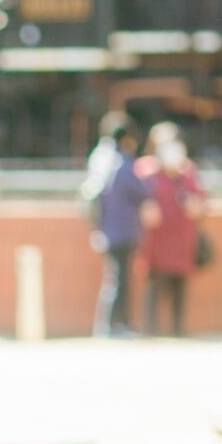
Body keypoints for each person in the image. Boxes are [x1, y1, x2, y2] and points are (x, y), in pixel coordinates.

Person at [135, 121, 208, 336]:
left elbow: (202, 200)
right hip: (156, 241)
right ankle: (151, 331)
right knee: (155, 286)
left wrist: (197, 205)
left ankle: (178, 330)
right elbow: (135, 200)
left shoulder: (188, 172)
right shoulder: (146, 171)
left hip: (182, 239)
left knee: (180, 286)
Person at [83, 113, 150, 339]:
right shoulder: (121, 162)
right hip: (122, 230)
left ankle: (109, 326)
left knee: (115, 279)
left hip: (107, 229)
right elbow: (142, 190)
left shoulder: (100, 159)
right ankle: (113, 326)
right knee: (119, 281)